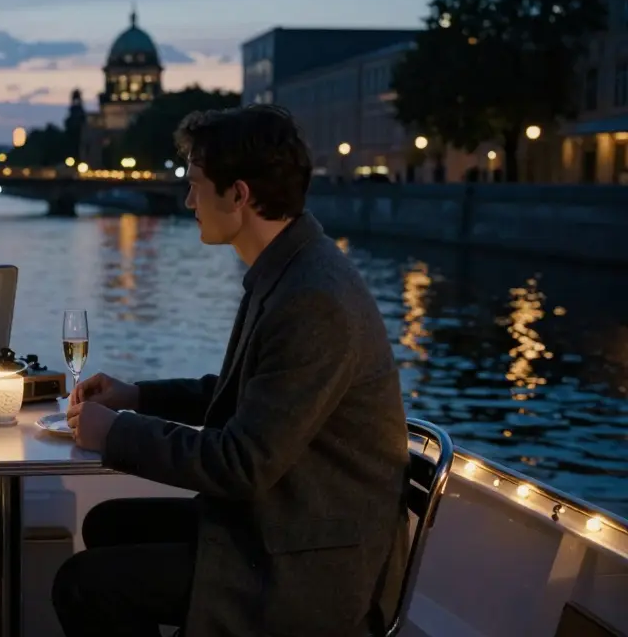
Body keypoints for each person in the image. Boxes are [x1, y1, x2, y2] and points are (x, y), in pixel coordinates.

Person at [55, 105, 411, 637]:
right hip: (286, 522)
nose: (188, 201)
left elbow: (243, 465)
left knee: (83, 584)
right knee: (109, 523)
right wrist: (136, 397)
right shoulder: (291, 270)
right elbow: (247, 394)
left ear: (239, 195)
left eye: (196, 185)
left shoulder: (313, 299)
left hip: (311, 561)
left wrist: (118, 433)